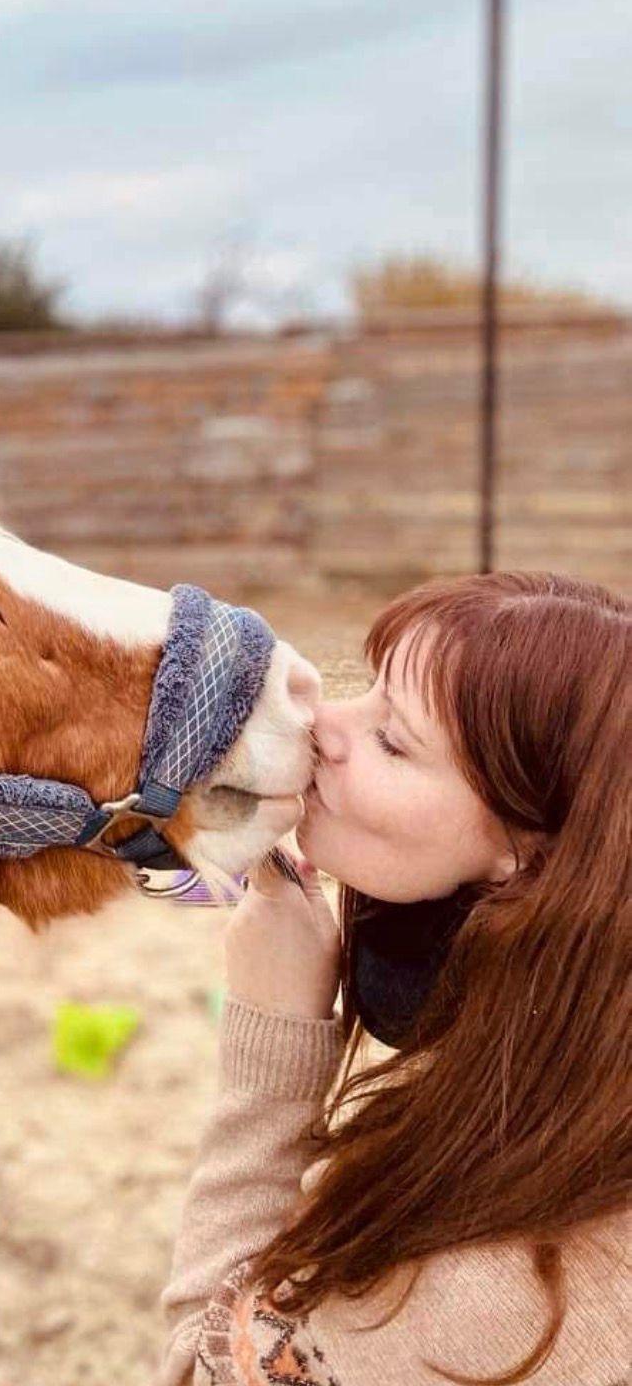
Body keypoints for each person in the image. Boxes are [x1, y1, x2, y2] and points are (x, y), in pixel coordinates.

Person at [157, 571, 630, 1386]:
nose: (323, 724)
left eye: (393, 742)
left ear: (530, 853)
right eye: (367, 690)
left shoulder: (490, 1291)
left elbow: (202, 1371)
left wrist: (271, 1052)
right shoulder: (576, 1090)